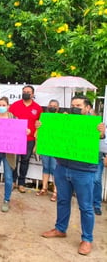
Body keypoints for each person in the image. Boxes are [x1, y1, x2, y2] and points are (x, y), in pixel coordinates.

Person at [41, 95, 105, 256]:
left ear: (88, 108)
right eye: (72, 105)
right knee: (62, 200)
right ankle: (60, 229)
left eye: (78, 105)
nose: (74, 107)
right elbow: (51, 136)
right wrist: (42, 126)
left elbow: (103, 146)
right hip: (62, 167)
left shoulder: (96, 124)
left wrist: (102, 134)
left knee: (85, 206)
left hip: (84, 171)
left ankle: (87, 239)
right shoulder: (64, 120)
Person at [9, 85, 42, 193]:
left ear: (32, 94)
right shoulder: (15, 105)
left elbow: (40, 123)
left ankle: (21, 183)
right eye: (24, 91)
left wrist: (39, 124)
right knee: (14, 160)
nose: (26, 93)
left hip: (29, 139)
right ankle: (13, 181)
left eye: (28, 92)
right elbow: (9, 119)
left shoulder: (38, 108)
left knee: (25, 161)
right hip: (15, 138)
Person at [36, 99, 59, 201]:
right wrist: (38, 125)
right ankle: (44, 188)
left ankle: (56, 191)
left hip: (56, 148)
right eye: (51, 105)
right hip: (45, 146)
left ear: (57, 108)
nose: (52, 106)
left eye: (54, 105)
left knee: (55, 169)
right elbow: (39, 131)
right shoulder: (44, 117)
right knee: (45, 167)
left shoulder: (62, 118)